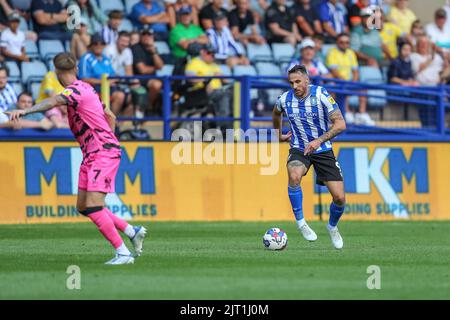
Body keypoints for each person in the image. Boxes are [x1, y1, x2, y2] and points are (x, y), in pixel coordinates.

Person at [5, 52, 147, 265]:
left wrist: (25, 112)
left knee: (94, 205)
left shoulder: (74, 91)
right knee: (83, 206)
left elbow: (53, 101)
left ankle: (123, 253)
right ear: (77, 69)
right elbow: (111, 116)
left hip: (101, 153)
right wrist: (109, 140)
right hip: (95, 153)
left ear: (56, 73)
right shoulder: (89, 88)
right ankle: (131, 230)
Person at [272, 64, 346, 249]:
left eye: (298, 81)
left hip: (323, 149)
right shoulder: (284, 99)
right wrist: (278, 134)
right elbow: (275, 113)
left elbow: (340, 124)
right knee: (294, 175)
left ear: (307, 80)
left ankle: (332, 227)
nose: (295, 86)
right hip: (299, 148)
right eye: (291, 82)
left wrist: (318, 141)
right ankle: (301, 223)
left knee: (339, 198)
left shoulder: (321, 95)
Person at [78, 33, 133, 117]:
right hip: (94, 89)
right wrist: (103, 82)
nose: (99, 46)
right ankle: (109, 121)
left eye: (102, 43)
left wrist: (116, 80)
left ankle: (117, 123)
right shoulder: (86, 58)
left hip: (109, 87)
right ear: (91, 45)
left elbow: (112, 75)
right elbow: (83, 79)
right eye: (95, 43)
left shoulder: (106, 59)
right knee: (120, 96)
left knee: (133, 96)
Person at [326, 32, 373, 125]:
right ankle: (344, 114)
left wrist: (354, 82)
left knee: (363, 89)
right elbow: (334, 70)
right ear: (337, 42)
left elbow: (355, 71)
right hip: (337, 81)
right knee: (341, 87)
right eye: (342, 42)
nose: (344, 44)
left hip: (348, 82)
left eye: (347, 42)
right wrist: (344, 81)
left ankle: (361, 114)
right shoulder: (332, 52)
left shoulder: (351, 53)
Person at [185, 43, 232, 129]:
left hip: (217, 91)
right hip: (200, 93)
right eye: (209, 53)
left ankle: (234, 124)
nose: (212, 56)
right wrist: (206, 80)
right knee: (224, 95)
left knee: (234, 94)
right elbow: (190, 79)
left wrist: (221, 77)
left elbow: (226, 81)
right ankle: (224, 126)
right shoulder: (194, 63)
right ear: (202, 52)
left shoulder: (214, 65)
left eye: (213, 54)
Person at [131, 27, 164, 115]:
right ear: (140, 36)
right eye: (144, 34)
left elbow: (161, 66)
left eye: (149, 34)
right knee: (156, 84)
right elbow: (142, 70)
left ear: (152, 37)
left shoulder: (153, 48)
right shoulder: (136, 48)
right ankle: (147, 107)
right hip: (138, 79)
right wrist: (156, 68)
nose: (146, 37)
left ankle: (149, 107)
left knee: (164, 85)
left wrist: (154, 52)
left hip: (151, 78)